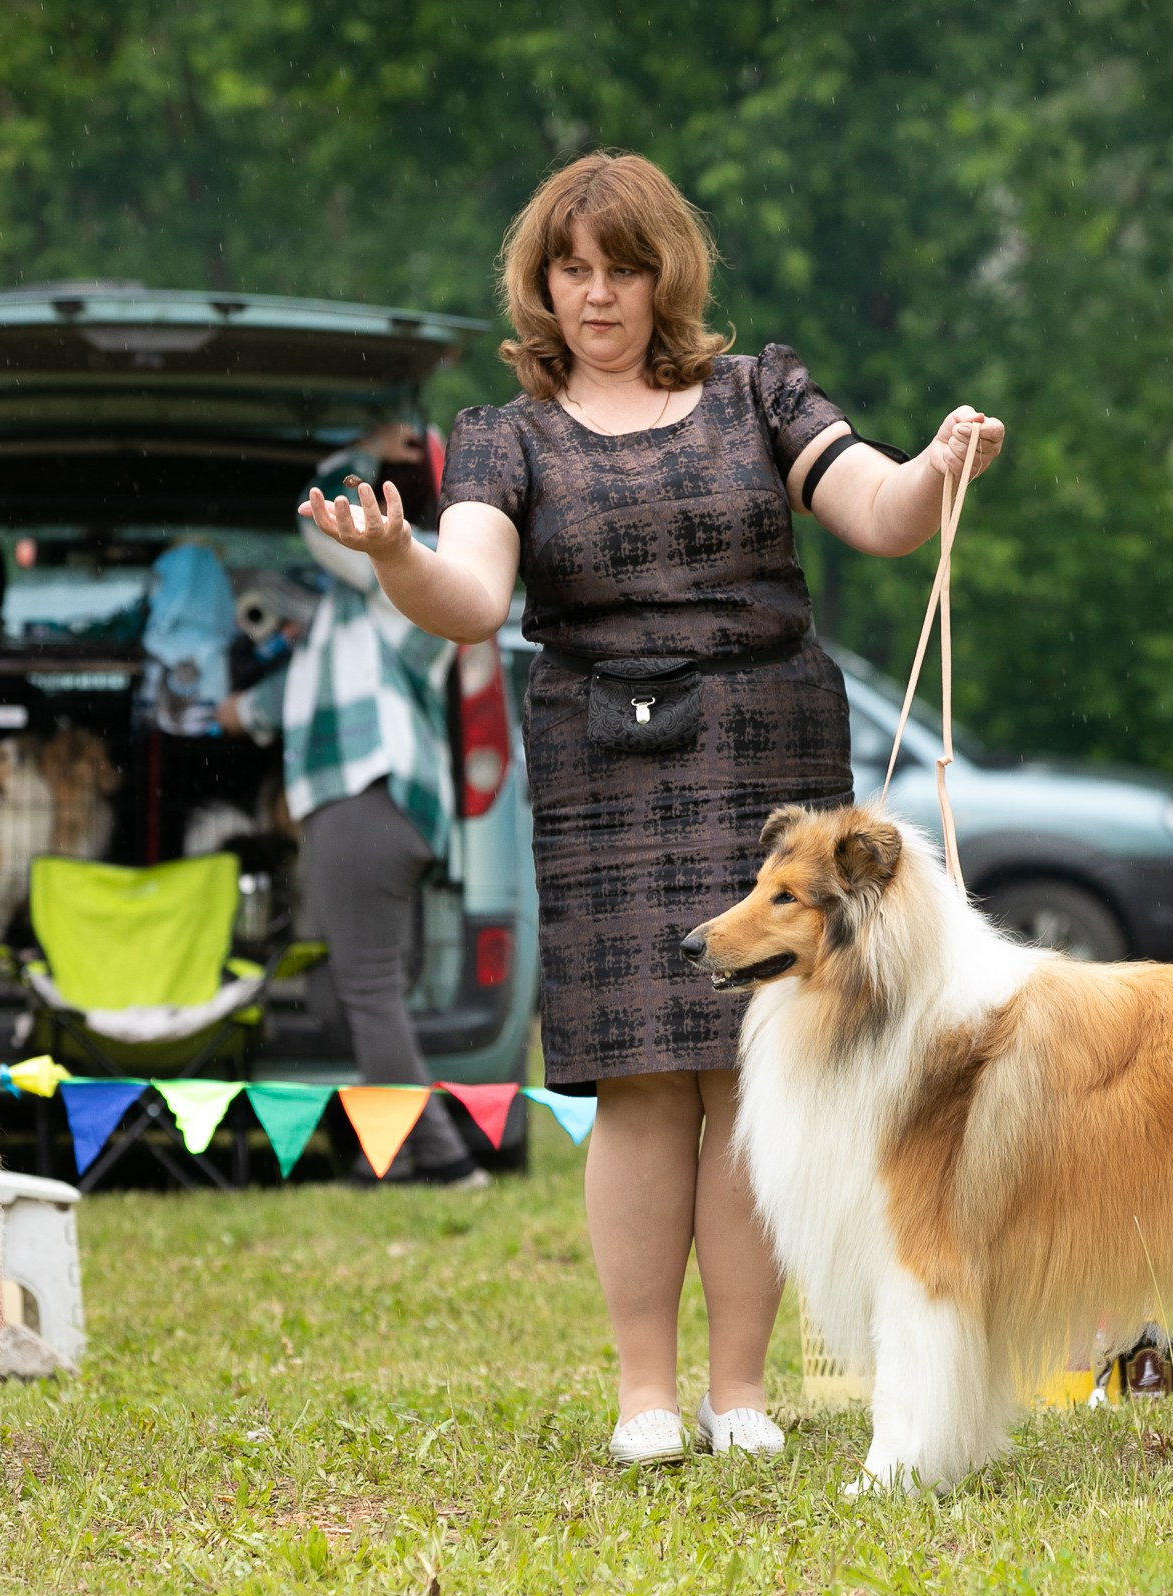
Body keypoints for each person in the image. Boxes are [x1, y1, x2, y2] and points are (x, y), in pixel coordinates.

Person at [302, 150, 1005, 1465]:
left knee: (758, 1084)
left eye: (621, 266)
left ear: (663, 271)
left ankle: (741, 1390)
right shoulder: (505, 437)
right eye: (572, 269)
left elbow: (882, 511)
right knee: (636, 1082)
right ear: (542, 281)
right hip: (606, 768)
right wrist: (399, 556)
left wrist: (940, 461)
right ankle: (648, 1394)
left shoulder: (759, 394)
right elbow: (471, 598)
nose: (597, 294)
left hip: (770, 765)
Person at [221, 425, 484, 1189]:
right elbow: (313, 686)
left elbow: (329, 518)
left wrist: (357, 453)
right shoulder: (356, 601)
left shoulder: (416, 560)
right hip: (371, 803)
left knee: (365, 990)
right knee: (354, 989)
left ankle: (439, 1158)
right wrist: (235, 709)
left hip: (366, 796)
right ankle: (393, 1149)